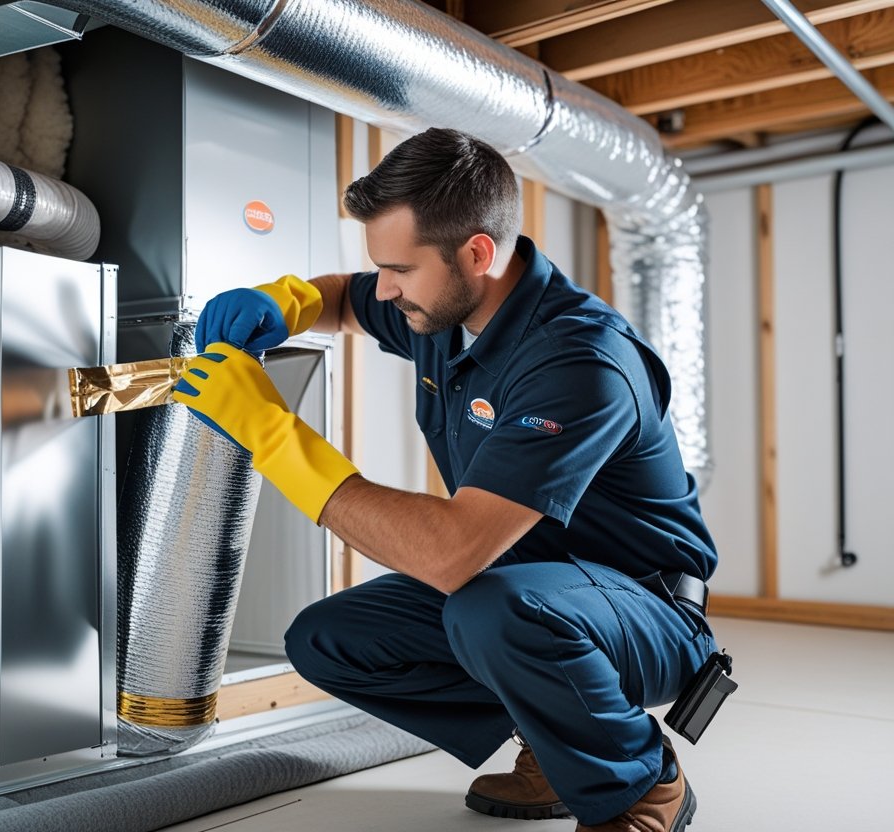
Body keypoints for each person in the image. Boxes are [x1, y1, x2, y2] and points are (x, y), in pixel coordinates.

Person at [172, 127, 717, 832]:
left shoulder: (579, 362)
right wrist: (290, 300)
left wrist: (273, 435)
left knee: (491, 608)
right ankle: (556, 745)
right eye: (381, 266)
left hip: (644, 610)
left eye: (400, 267)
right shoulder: (444, 309)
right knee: (327, 639)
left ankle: (642, 786)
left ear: (478, 253)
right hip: (518, 585)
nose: (386, 287)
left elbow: (448, 554)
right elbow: (348, 298)